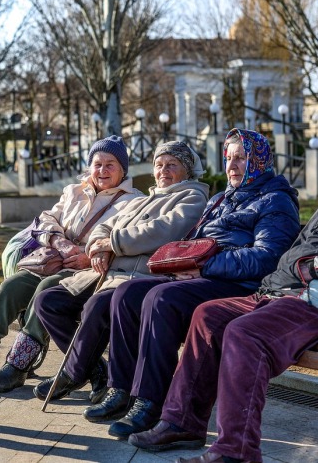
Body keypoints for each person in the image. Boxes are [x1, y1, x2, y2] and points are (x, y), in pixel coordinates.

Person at [129, 122, 318, 463]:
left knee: (245, 333)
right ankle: (182, 423)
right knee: (209, 315)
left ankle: (236, 450)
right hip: (289, 294)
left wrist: (313, 266)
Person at [84, 129, 301, 440]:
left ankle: (150, 401)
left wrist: (204, 266)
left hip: (241, 285)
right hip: (203, 276)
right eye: (228, 158)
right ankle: (121, 388)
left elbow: (267, 257)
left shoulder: (276, 200)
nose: (232, 165)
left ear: (259, 161)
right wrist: (185, 264)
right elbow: (193, 243)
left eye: (241, 158)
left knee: (161, 299)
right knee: (127, 293)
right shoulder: (220, 198)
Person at [0, 136, 142, 396]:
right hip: (56, 260)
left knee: (46, 289)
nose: (102, 171)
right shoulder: (74, 191)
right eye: (97, 164)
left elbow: (125, 240)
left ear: (123, 170)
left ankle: (18, 365)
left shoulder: (134, 200)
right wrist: (59, 241)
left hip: (90, 271)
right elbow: (46, 219)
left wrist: (87, 254)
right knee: (13, 285)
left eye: (110, 165)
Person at [32, 141, 210, 403]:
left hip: (137, 277)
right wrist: (100, 247)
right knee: (47, 301)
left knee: (97, 306)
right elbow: (104, 229)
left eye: (172, 165)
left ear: (187, 170)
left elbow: (163, 230)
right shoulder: (146, 198)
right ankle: (92, 369)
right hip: (106, 273)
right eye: (159, 165)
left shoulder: (192, 196)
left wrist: (113, 243)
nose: (163, 171)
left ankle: (74, 373)